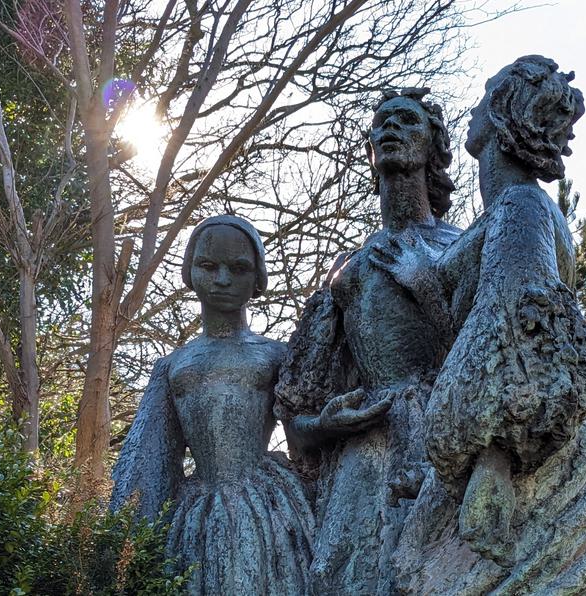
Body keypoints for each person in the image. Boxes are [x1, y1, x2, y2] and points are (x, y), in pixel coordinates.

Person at [384, 55, 586, 594]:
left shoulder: (520, 207)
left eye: (485, 97)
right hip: (525, 444)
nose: (474, 109)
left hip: (519, 457)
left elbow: (521, 326)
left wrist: (494, 462)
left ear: (503, 117)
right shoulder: (517, 207)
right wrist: (429, 285)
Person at [275, 88, 462, 595]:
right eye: (381, 123)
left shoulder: (461, 247)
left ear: (434, 148)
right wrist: (325, 423)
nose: (390, 129)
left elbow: (481, 363)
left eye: (406, 121)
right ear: (370, 152)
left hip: (444, 446)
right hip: (363, 464)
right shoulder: (345, 274)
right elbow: (298, 415)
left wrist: (426, 289)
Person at [109, 215, 313, 595]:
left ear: (257, 279)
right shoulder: (172, 367)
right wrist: (129, 536)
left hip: (263, 506)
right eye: (208, 266)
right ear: (190, 272)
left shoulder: (278, 356)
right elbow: (152, 457)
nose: (222, 280)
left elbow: (304, 444)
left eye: (238, 269)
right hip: (198, 512)